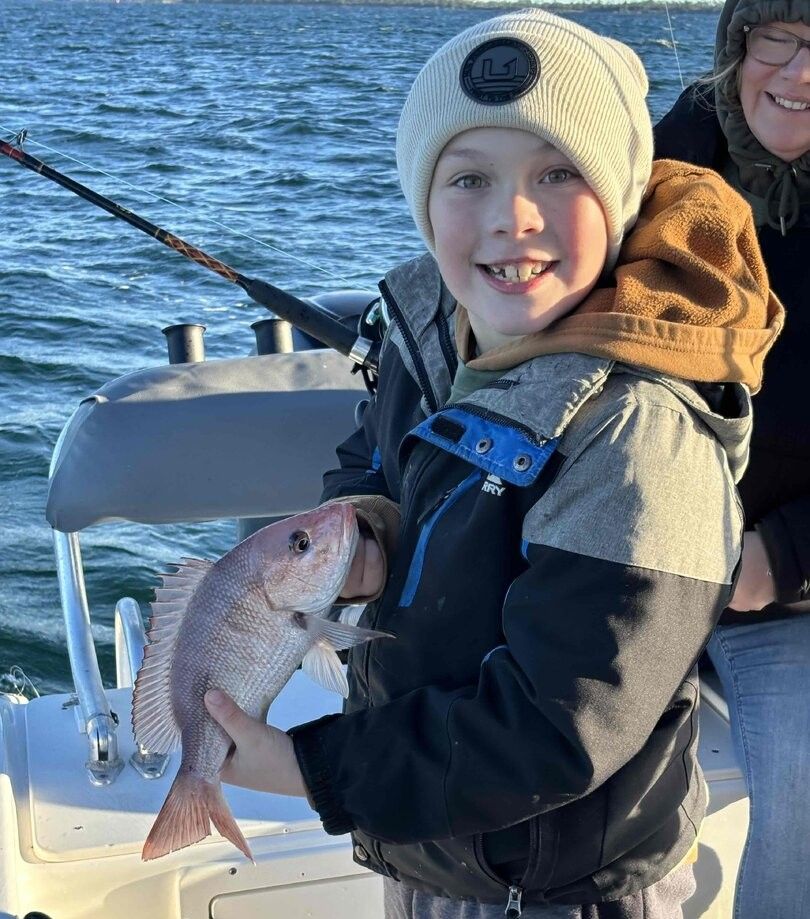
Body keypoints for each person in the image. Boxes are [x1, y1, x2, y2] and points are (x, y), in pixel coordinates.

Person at [203, 10, 782, 917]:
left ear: (623, 196)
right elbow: (374, 454)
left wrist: (311, 767)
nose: (513, 217)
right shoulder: (432, 326)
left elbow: (558, 726)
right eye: (469, 178)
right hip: (428, 838)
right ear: (423, 200)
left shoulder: (645, 435)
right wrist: (370, 529)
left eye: (559, 174)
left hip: (557, 882)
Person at [655, 1, 810, 916]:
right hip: (636, 553)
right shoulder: (659, 167)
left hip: (778, 589)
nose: (799, 73)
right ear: (736, 43)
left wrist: (780, 557)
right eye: (777, 37)